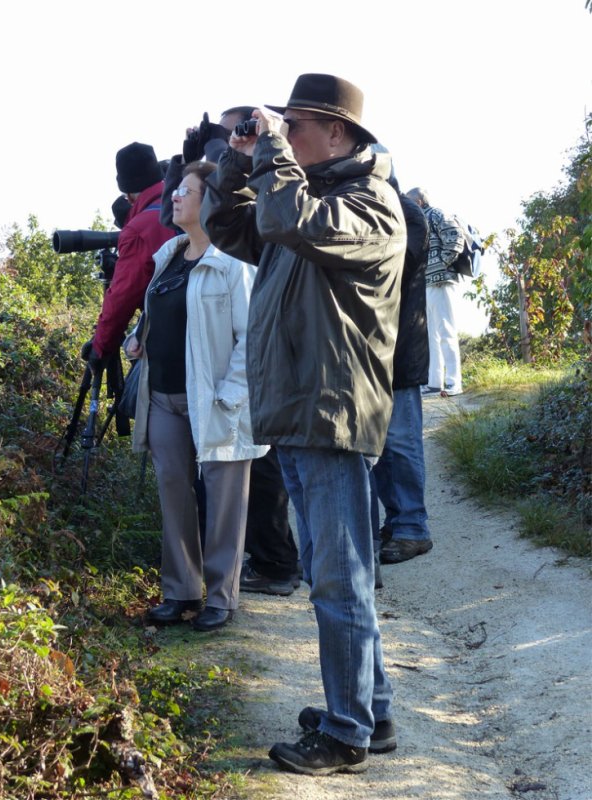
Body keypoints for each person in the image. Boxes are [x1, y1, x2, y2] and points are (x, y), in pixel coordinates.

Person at [201, 73, 406, 775]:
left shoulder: (369, 205)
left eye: (297, 125)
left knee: (339, 579)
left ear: (338, 133)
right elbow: (233, 225)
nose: (285, 136)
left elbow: (288, 218)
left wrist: (274, 156)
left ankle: (346, 732)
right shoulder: (305, 199)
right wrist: (238, 156)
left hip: (331, 414)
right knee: (335, 572)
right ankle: (368, 712)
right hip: (298, 412)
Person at [161, 108, 300, 598]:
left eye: (233, 124)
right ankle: (216, 579)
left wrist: (243, 149)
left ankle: (273, 566)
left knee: (255, 477)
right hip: (193, 386)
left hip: (249, 378)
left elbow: (266, 217)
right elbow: (181, 216)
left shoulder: (256, 163)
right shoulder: (174, 251)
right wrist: (185, 162)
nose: (225, 133)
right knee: (224, 482)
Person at [126, 160, 268, 631]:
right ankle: (180, 591)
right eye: (176, 191)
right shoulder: (167, 255)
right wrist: (139, 336)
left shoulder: (234, 263)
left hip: (215, 400)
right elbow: (161, 311)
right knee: (173, 493)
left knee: (226, 499)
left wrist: (231, 394)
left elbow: (253, 336)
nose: (174, 198)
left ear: (211, 200)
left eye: (185, 191)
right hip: (164, 397)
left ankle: (222, 597)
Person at [371, 179, 433, 565]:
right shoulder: (372, 204)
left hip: (401, 350)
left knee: (401, 443)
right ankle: (397, 522)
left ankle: (413, 526)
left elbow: (390, 268)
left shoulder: (406, 212)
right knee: (377, 447)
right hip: (374, 350)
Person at [85, 142, 175, 371]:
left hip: (169, 340)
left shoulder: (140, 228)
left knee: (139, 404)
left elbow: (122, 296)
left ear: (128, 194)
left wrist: (100, 347)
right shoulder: (184, 202)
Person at [406, 187, 465, 396]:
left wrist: (441, 263)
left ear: (420, 201)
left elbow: (456, 237)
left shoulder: (437, 214)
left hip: (441, 282)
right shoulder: (420, 219)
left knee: (446, 331)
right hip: (426, 284)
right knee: (431, 334)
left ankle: (454, 382)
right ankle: (434, 382)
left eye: (410, 200)